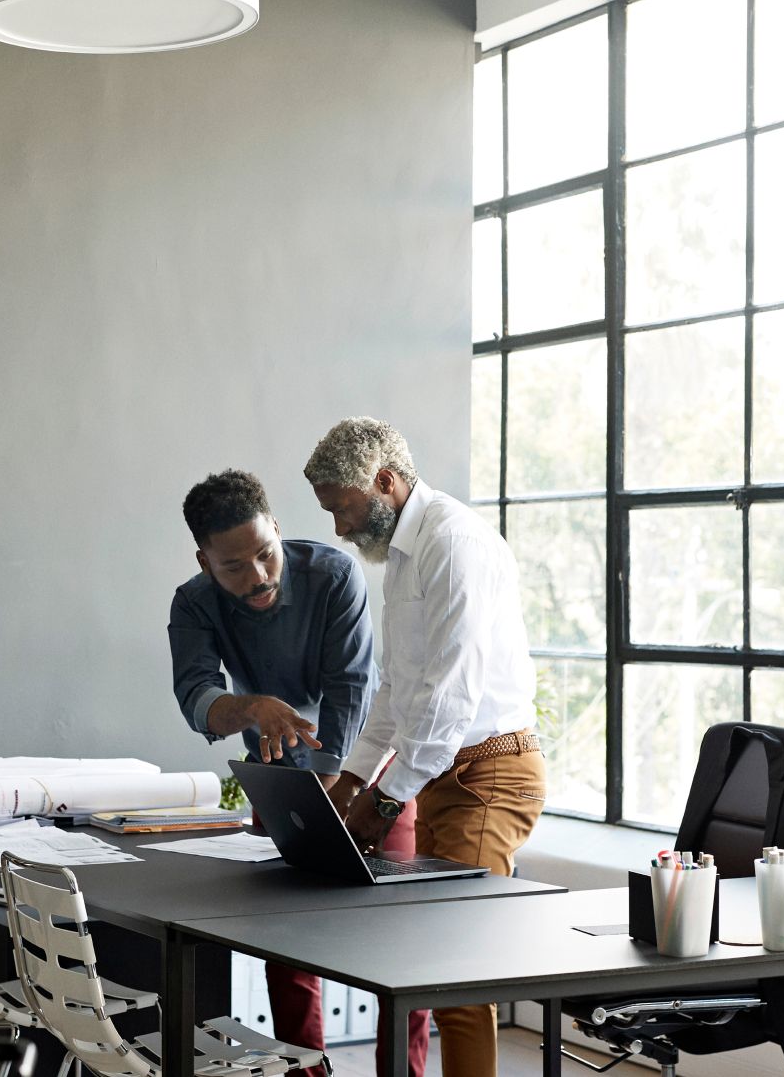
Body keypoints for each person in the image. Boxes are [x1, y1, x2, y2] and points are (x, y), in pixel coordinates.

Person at [304, 418, 546, 1077]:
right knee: (430, 970)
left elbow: (450, 699)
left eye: (344, 509)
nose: (339, 529)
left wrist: (383, 802)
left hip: (490, 773)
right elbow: (397, 690)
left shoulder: (453, 543)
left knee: (456, 979)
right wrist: (350, 780)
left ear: (384, 482)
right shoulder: (402, 556)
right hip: (444, 773)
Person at [168, 469, 429, 1077]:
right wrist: (250, 708)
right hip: (280, 779)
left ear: (278, 529)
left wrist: (335, 785)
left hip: (370, 773)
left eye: (266, 553)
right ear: (205, 562)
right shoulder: (193, 602)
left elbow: (351, 689)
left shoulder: (334, 575)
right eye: (234, 566)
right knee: (288, 950)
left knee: (400, 942)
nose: (258, 576)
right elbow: (196, 696)